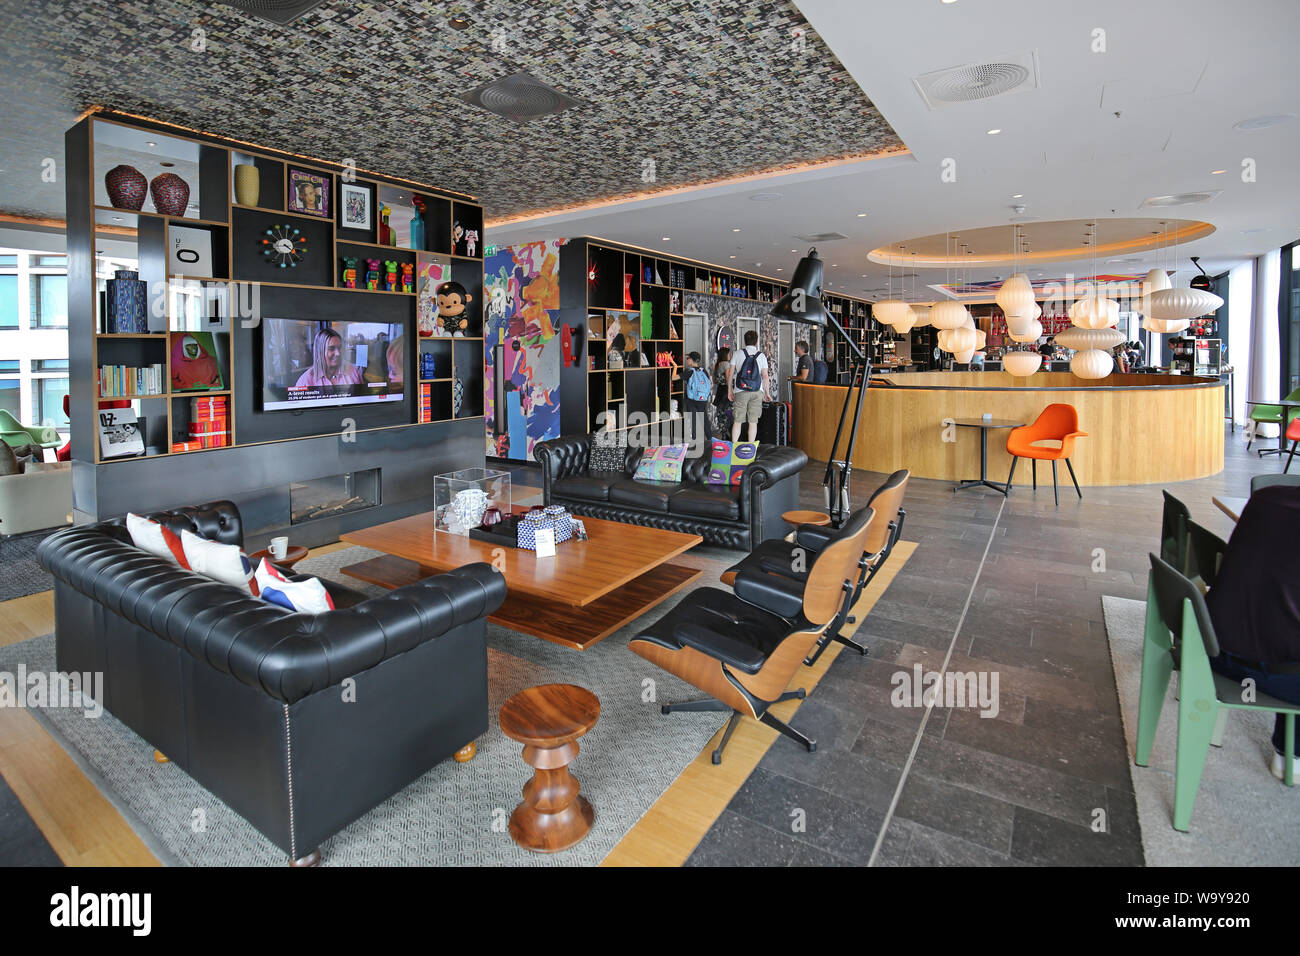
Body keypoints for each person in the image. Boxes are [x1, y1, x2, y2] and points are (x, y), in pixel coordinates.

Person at [1205, 485, 1300, 781]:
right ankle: (1291, 757)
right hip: (1275, 670)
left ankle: (1290, 755)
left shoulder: (1265, 498)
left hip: (1211, 647)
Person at [728, 330, 770, 443]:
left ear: (744, 341)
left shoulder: (737, 353)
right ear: (756, 342)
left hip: (740, 390)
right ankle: (751, 448)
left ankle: (734, 446)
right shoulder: (761, 356)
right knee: (753, 421)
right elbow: (765, 376)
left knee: (737, 420)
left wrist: (729, 390)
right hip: (757, 391)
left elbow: (731, 374)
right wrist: (767, 393)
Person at [295, 327, 363, 388]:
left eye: (339, 348)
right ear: (320, 351)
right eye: (331, 348)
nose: (338, 353)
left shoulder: (353, 372)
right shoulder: (305, 380)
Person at [681, 351, 714, 443]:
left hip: (691, 399)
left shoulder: (689, 371)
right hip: (702, 399)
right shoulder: (704, 371)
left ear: (691, 360)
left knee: (693, 419)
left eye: (687, 358)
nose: (687, 360)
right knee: (704, 419)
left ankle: (694, 440)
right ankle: (710, 438)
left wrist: (675, 366)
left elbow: (674, 378)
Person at [712, 346, 732, 435]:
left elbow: (714, 380)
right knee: (728, 412)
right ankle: (727, 433)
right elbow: (728, 380)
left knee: (720, 412)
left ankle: (722, 431)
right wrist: (731, 391)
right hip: (726, 390)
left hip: (719, 390)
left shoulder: (716, 365)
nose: (730, 355)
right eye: (729, 354)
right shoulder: (726, 364)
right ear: (725, 355)